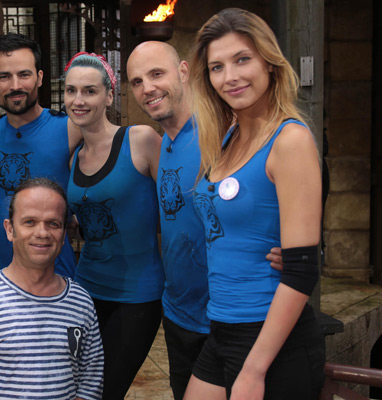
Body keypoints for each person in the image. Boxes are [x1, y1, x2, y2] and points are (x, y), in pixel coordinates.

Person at [184, 8, 325, 399]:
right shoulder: (226, 138)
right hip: (222, 327)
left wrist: (254, 370)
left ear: (270, 63)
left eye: (242, 59)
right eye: (217, 67)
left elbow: (301, 269)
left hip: (272, 339)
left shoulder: (289, 140)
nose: (230, 76)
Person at [0, 178, 104, 399]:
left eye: (53, 223)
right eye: (30, 222)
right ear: (10, 229)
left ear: (63, 234)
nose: (42, 233)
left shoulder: (81, 302)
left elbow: (89, 385)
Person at [64, 52, 164, 399]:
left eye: (90, 91)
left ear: (109, 96)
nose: (79, 100)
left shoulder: (141, 140)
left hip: (137, 296)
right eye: (71, 91)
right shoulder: (74, 154)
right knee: (76, 388)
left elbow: (178, 204)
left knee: (106, 390)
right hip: (86, 289)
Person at [126, 41, 218, 400]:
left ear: (183, 72)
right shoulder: (164, 144)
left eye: (156, 74)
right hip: (179, 315)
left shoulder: (220, 132)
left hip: (222, 321)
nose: (147, 88)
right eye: (136, 81)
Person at [0, 33, 81, 278]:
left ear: (40, 77)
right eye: (4, 76)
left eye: (24, 74)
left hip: (59, 278)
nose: (15, 86)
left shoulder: (71, 129)